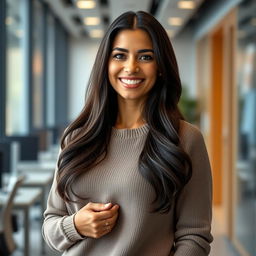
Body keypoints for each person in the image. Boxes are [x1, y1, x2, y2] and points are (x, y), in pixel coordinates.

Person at [42, 11, 213, 256]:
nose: (131, 67)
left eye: (145, 57)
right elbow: (50, 225)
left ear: (161, 67)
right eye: (119, 55)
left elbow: (194, 237)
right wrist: (75, 226)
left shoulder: (186, 139)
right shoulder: (76, 137)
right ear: (106, 64)